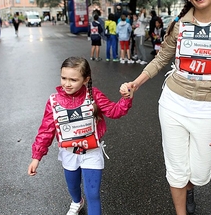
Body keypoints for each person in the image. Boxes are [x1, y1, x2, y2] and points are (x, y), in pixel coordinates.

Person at [122, 0, 211, 215]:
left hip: (208, 108)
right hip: (173, 103)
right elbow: (161, 58)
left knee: (199, 172)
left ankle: (191, 187)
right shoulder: (180, 25)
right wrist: (136, 83)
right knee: (176, 169)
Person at [27, 56, 134, 215]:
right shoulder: (54, 101)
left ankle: (85, 202)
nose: (67, 84)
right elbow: (46, 130)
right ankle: (77, 201)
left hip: (92, 153)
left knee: (93, 195)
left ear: (85, 80)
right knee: (73, 186)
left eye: (73, 79)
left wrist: (127, 98)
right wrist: (36, 157)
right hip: (69, 153)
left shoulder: (94, 96)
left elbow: (114, 111)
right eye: (64, 78)